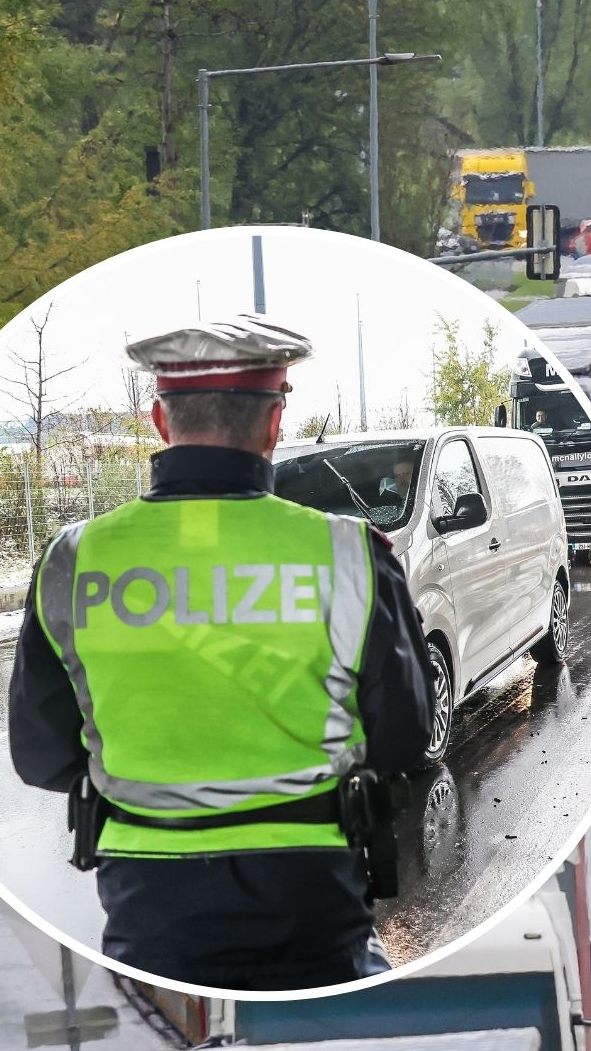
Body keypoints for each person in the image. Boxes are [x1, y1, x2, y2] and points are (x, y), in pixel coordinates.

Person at [9, 314, 435, 992]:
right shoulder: (346, 553)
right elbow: (404, 736)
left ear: (158, 418)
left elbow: (39, 753)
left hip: (146, 897)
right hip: (311, 888)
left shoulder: (74, 558)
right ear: (273, 425)